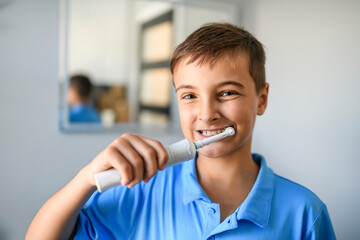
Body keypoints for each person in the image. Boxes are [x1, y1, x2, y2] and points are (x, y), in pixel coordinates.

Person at [26, 23, 336, 239]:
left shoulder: (306, 213)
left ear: (261, 99)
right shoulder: (139, 192)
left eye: (227, 92)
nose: (206, 114)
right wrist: (86, 178)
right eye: (189, 95)